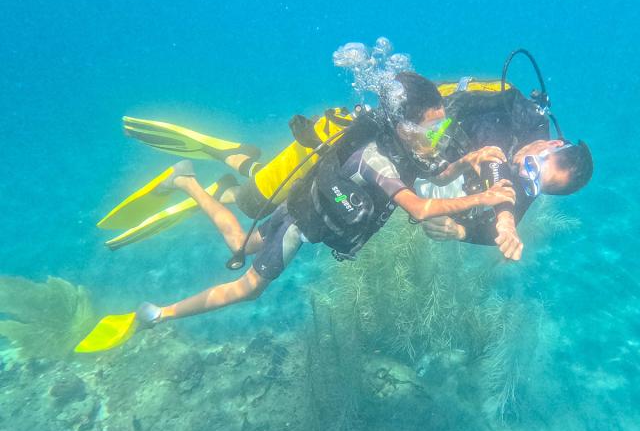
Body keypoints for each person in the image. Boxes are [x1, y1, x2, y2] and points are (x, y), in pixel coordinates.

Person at [82, 72, 515, 348]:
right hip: (299, 224)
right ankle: (157, 313)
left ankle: (186, 179)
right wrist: (484, 198)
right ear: (402, 125)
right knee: (248, 286)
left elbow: (436, 178)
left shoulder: (408, 148)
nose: (438, 136)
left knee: (240, 241)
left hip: (301, 206)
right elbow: (419, 208)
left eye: (442, 127)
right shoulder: (376, 159)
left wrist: (467, 163)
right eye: (431, 128)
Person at [418, 78, 593, 259]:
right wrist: (505, 218)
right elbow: (493, 155)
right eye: (532, 166)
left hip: (449, 163)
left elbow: (502, 233)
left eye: (533, 184)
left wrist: (460, 231)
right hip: (440, 110)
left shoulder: (532, 180)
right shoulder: (522, 113)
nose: (524, 174)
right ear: (553, 144)